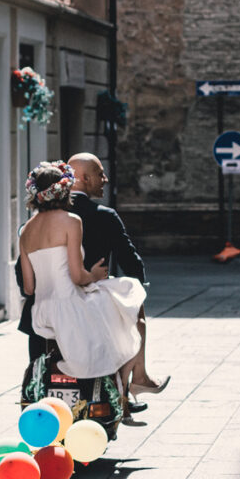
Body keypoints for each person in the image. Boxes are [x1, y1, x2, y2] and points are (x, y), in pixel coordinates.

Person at [18, 161, 146, 383]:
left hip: (40, 312)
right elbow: (78, 277)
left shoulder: (26, 230)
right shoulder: (71, 221)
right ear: (64, 189)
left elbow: (29, 287)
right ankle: (129, 382)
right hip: (69, 307)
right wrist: (95, 275)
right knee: (126, 300)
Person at [67, 152, 169, 400]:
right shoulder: (104, 215)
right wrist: (139, 283)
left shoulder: (46, 217)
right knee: (136, 317)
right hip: (92, 296)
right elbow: (129, 260)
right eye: (100, 173)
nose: (105, 179)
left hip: (51, 302)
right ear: (83, 178)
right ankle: (133, 384)